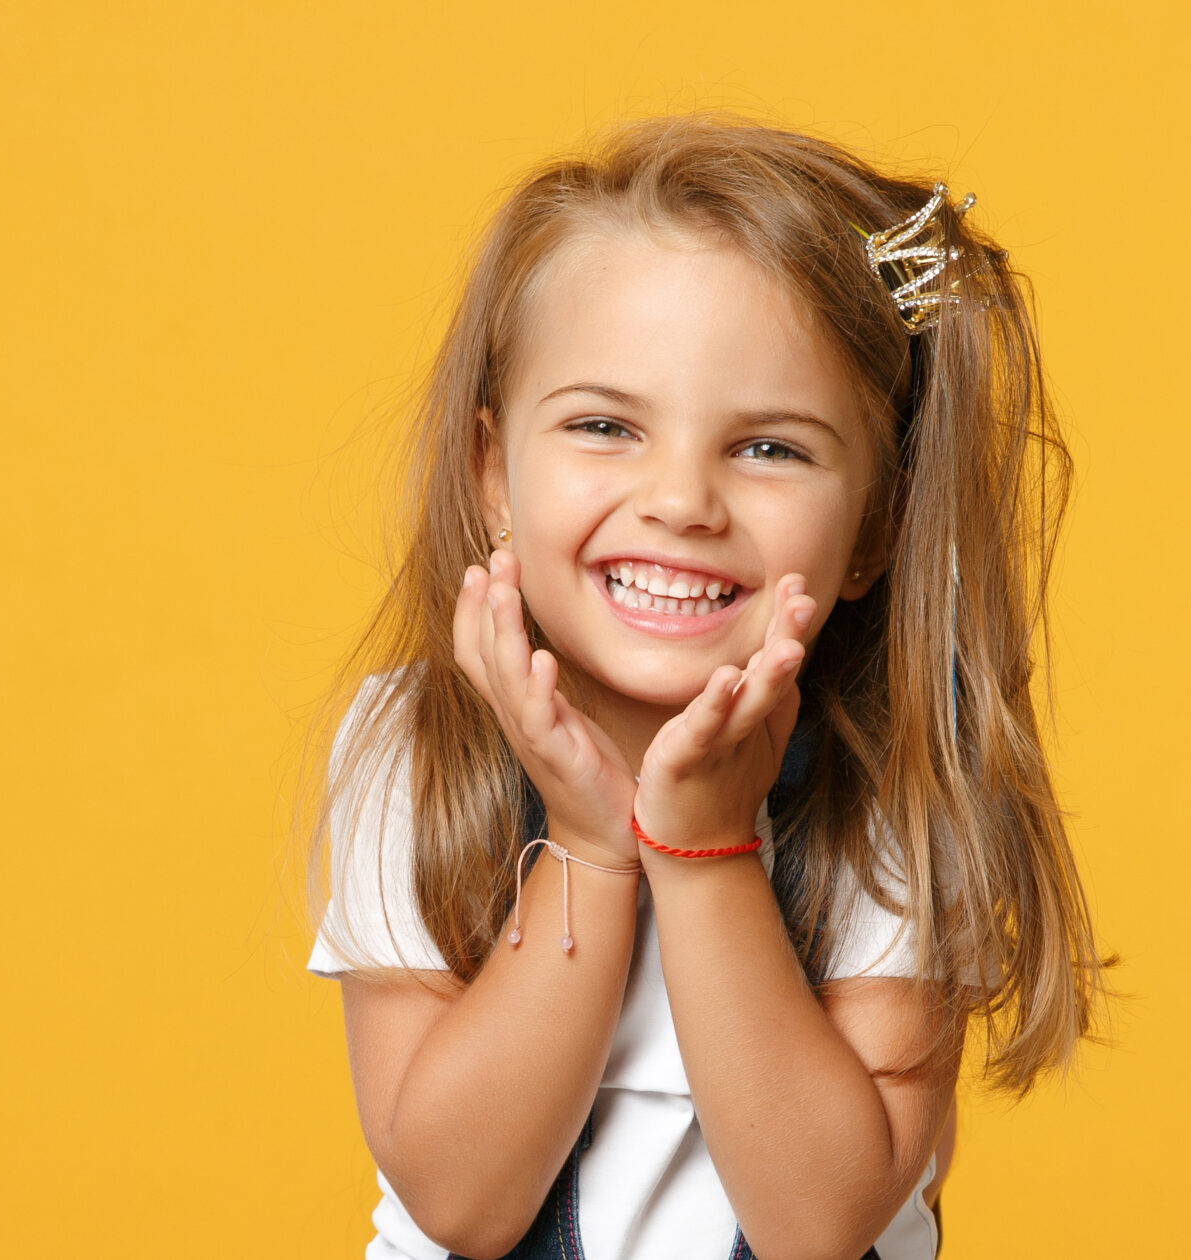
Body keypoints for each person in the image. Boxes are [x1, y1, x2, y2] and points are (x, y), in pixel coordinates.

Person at [304, 111, 1116, 1260]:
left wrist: (705, 848)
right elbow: (460, 1200)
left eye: (770, 448)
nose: (681, 499)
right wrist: (589, 842)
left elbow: (819, 1222)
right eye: (603, 426)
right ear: (494, 472)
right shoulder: (411, 742)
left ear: (877, 524)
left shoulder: (891, 782)